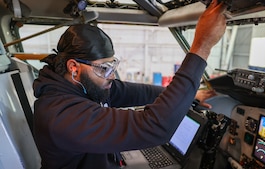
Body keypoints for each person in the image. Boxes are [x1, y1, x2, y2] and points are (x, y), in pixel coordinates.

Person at [32, 0, 227, 168]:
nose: (111, 76)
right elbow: (154, 127)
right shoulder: (61, 116)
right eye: (104, 68)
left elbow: (130, 92)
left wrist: (190, 95)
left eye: (113, 66)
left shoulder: (78, 86)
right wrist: (201, 48)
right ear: (74, 67)